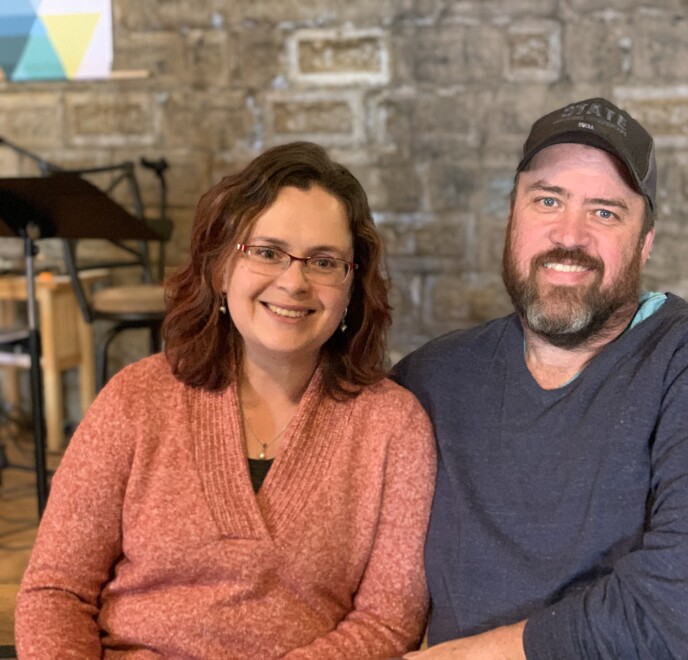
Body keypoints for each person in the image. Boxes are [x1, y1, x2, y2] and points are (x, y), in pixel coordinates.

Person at [394, 98, 688, 659]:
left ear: (645, 242)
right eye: (548, 200)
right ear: (512, 216)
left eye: (605, 212)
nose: (570, 235)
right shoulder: (432, 379)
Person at [16, 142, 436, 658]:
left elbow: (388, 621)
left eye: (325, 262)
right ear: (220, 269)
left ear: (352, 287)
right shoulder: (135, 399)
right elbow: (56, 591)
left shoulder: (394, 426)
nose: (294, 282)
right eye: (267, 252)